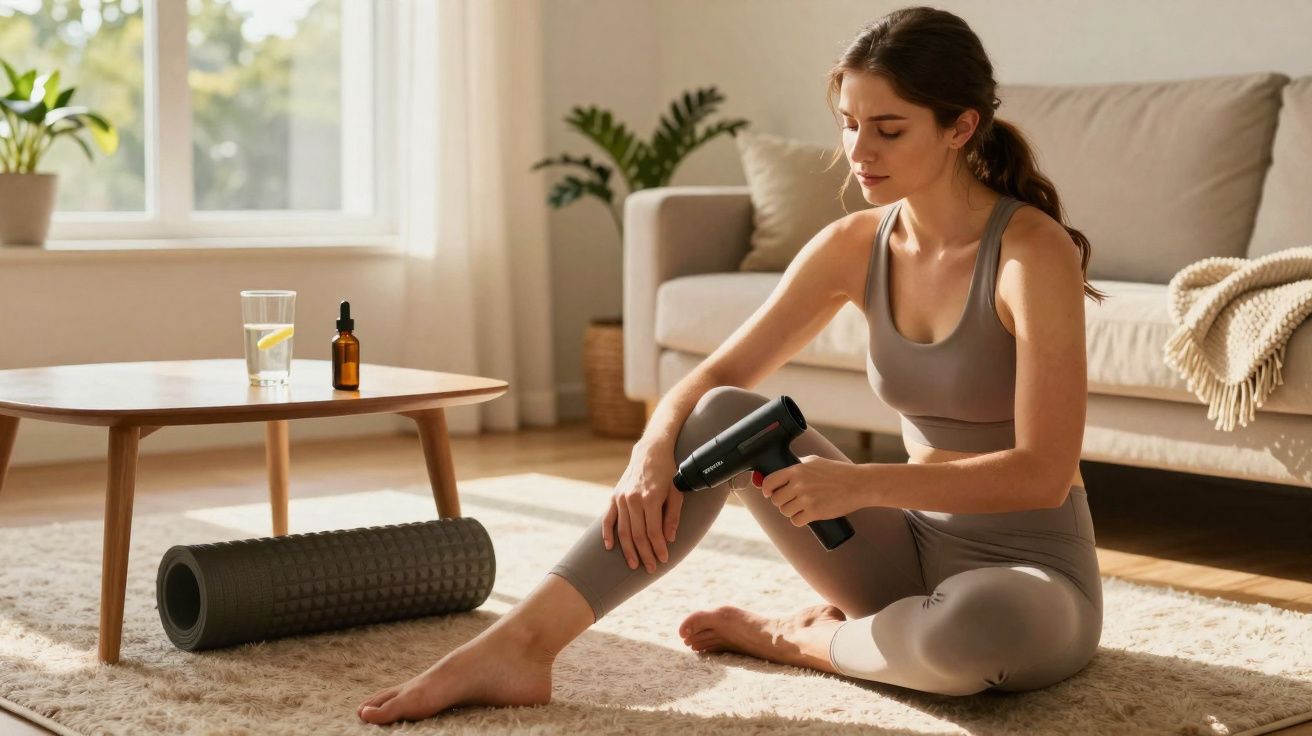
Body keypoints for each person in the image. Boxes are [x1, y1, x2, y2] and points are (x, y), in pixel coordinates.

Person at [357, 5, 1112, 725]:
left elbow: (1041, 472)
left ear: (961, 127)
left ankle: (794, 640)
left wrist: (859, 483)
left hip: (1027, 573)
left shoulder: (1029, 252)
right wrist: (649, 454)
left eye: (888, 129)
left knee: (968, 635)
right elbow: (716, 377)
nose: (858, 152)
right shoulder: (855, 244)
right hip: (893, 557)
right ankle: (521, 646)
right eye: (849, 125)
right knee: (720, 419)